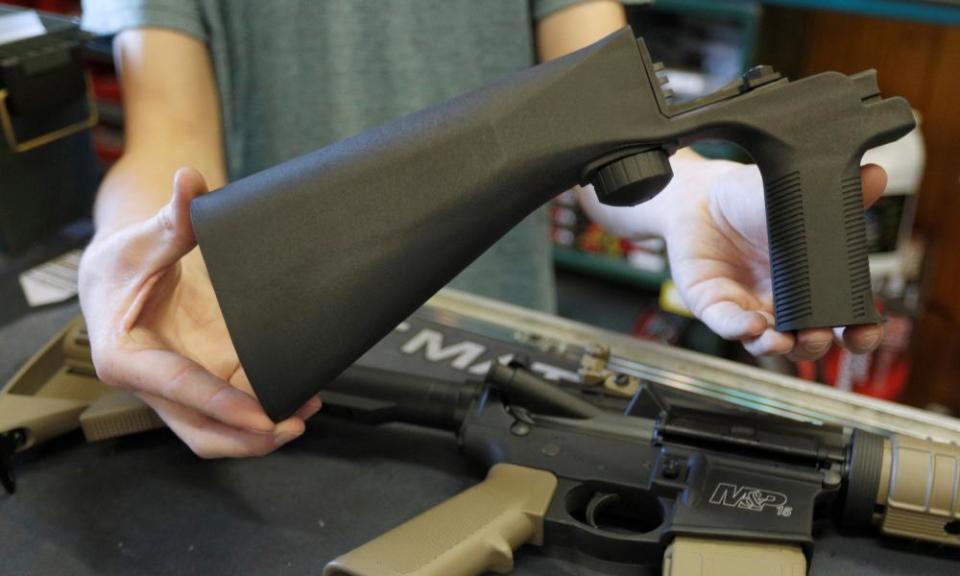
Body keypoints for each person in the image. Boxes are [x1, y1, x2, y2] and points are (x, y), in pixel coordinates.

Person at [79, 0, 888, 458]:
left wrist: (693, 197)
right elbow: (169, 145)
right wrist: (133, 259)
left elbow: (601, 118)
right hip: (295, 378)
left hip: (510, 369)